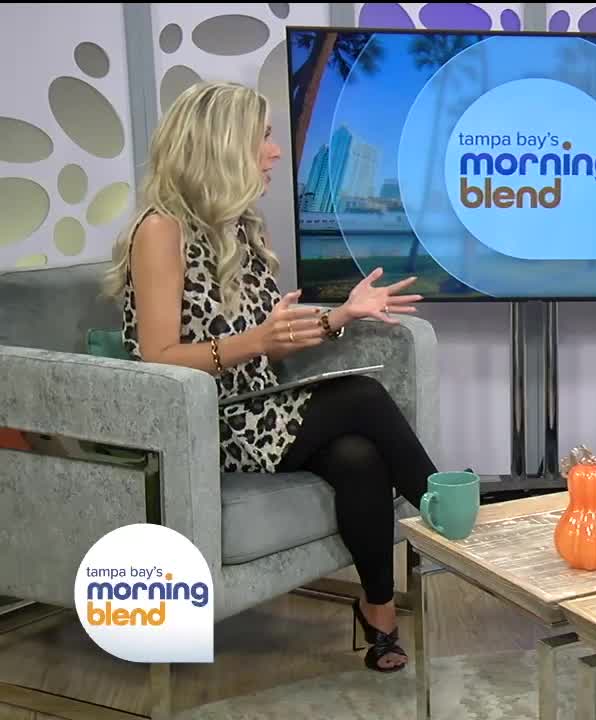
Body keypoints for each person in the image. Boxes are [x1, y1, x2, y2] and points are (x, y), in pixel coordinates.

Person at [102, 81, 435, 673]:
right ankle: (464, 526)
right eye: (263, 137)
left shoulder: (244, 227)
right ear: (223, 144)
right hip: (204, 422)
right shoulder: (161, 229)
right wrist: (255, 342)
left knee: (359, 456)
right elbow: (156, 357)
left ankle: (379, 616)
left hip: (263, 407)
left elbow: (270, 339)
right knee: (361, 396)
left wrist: (340, 316)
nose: (276, 151)